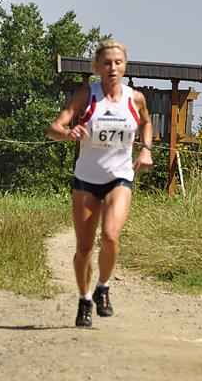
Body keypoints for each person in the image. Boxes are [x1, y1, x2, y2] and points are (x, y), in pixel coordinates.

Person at [46, 39, 153, 328]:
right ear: (97, 66)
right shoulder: (86, 95)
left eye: (118, 62)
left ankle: (103, 287)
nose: (112, 68)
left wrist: (146, 150)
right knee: (84, 249)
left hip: (120, 177)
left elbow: (145, 122)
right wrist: (67, 133)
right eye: (106, 63)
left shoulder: (135, 98)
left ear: (125, 65)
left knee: (110, 237)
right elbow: (54, 127)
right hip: (86, 180)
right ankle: (84, 299)